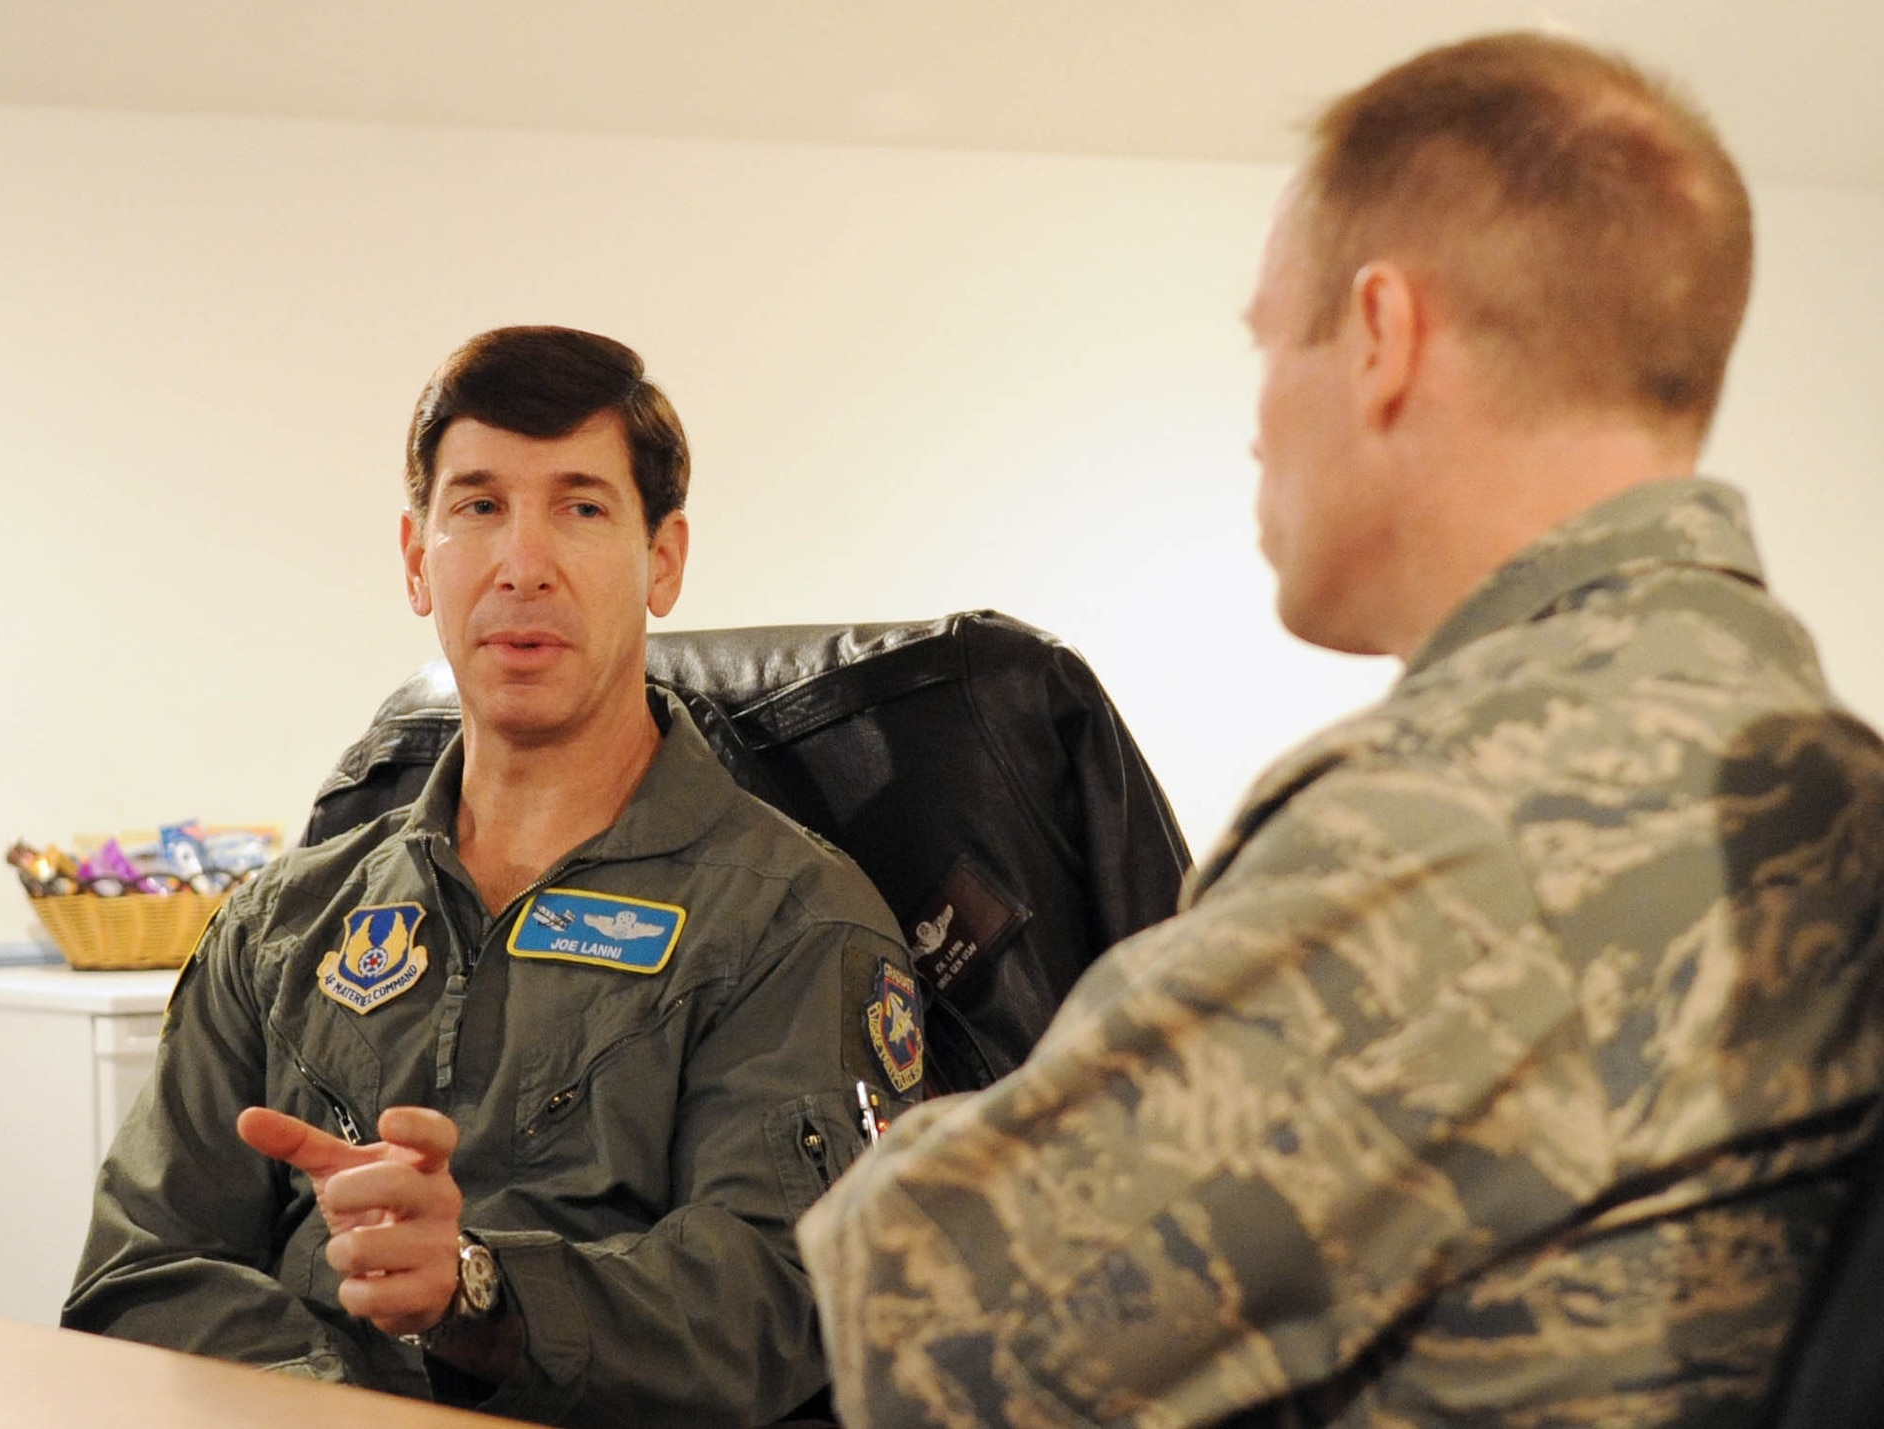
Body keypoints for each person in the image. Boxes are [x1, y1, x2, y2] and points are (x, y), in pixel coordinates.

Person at [796, 31, 1884, 1429]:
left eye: (1269, 340)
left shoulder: (1466, 824)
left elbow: (931, 1327)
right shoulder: (1798, 752)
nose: (1257, 426)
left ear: (1381, 336)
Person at [63, 326, 924, 1429]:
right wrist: (339, 1405)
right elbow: (136, 1276)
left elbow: (780, 1299)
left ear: (662, 560)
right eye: (477, 505)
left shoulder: (791, 921)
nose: (523, 564)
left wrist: (476, 1292)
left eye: (581, 507)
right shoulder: (281, 925)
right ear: (416, 559)